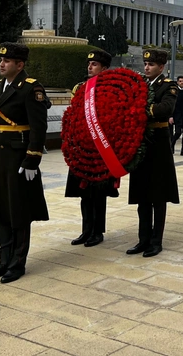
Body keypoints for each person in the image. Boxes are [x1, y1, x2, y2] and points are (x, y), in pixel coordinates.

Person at [0, 42, 49, 284]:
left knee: (18, 211)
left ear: (19, 65)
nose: (2, 64)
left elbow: (39, 127)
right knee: (1, 209)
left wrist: (32, 159)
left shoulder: (31, 89)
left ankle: (17, 263)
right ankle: (3, 260)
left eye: (7, 61)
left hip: (17, 159)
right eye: (2, 60)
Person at [127, 49, 179, 258]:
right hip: (140, 143)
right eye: (145, 64)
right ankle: (143, 239)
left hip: (158, 143)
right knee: (142, 195)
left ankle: (156, 241)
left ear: (161, 67)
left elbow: (165, 109)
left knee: (158, 195)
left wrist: (141, 108)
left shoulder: (169, 86)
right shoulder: (140, 85)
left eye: (151, 64)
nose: (146, 67)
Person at [64, 50, 116, 248]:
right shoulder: (80, 88)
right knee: (83, 192)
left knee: (98, 193)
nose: (90, 67)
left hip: (100, 148)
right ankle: (86, 230)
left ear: (104, 68)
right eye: (89, 63)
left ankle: (97, 231)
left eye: (94, 64)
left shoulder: (110, 89)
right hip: (82, 147)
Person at [170, 75, 183, 156]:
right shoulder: (174, 92)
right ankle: (172, 146)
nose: (182, 82)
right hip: (177, 116)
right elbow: (171, 105)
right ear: (177, 82)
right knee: (178, 132)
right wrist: (171, 116)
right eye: (180, 81)